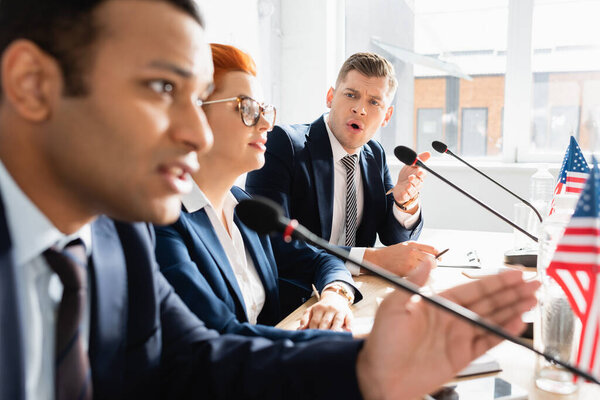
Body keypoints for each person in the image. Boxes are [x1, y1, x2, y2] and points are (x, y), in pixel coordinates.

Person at [0, 0, 540, 399]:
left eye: (196, 99)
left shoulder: (114, 238)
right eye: (164, 89)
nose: (196, 131)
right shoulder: (149, 226)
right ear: (31, 84)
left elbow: (200, 359)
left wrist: (370, 364)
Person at [154, 43, 361, 339]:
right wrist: (351, 346)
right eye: (247, 108)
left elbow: (321, 258)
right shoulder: (164, 222)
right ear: (194, 113)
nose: (266, 123)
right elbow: (225, 338)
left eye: (264, 110)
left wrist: (335, 295)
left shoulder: (242, 207)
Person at [246, 52, 438, 277]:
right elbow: (272, 245)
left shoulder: (375, 154)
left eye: (374, 102)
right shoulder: (283, 144)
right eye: (351, 95)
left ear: (387, 116)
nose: (360, 109)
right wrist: (371, 260)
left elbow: (394, 239)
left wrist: (404, 202)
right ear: (330, 96)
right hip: (298, 295)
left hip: (354, 289)